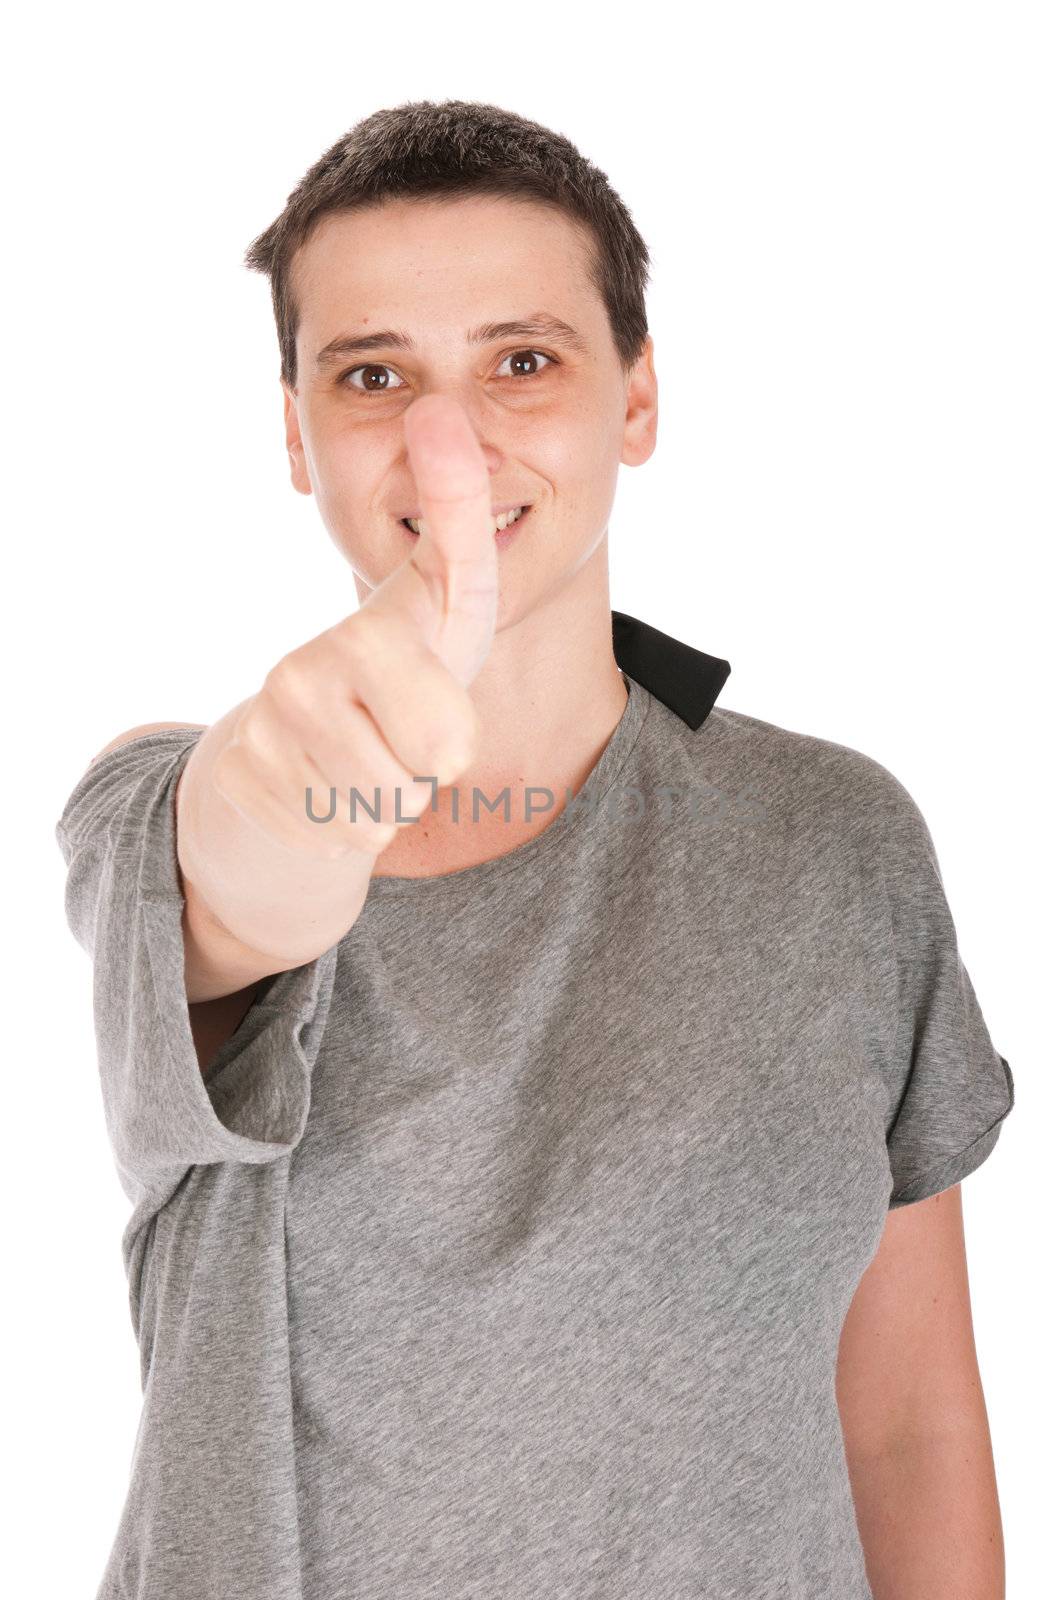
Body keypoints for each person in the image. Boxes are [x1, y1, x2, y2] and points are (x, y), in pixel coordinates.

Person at [55, 99, 1016, 1600]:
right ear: (296, 435)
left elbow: (906, 1428)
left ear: (635, 400)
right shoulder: (156, 824)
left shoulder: (844, 847)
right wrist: (300, 781)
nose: (451, 439)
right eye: (374, 375)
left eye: (522, 361)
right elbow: (243, 870)